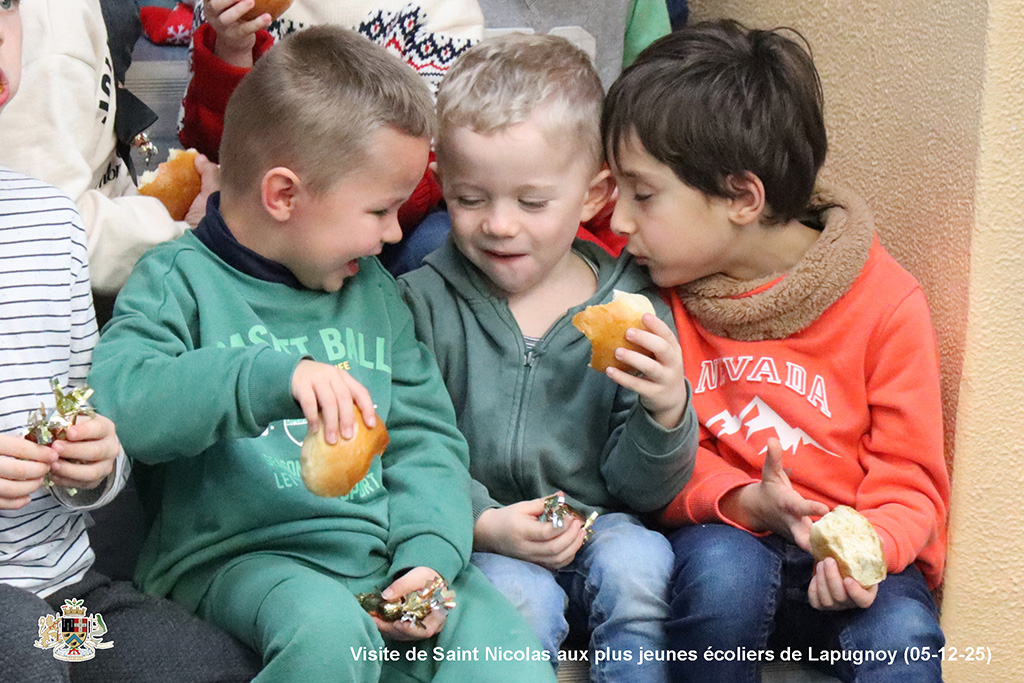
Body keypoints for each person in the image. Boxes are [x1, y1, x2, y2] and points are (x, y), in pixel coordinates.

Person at [88, 26, 556, 682]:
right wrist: (266, 378)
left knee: (504, 650)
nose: (395, 233)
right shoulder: (175, 280)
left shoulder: (375, 293)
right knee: (328, 631)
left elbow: (425, 442)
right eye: (380, 210)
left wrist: (428, 556)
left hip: (380, 554)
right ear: (284, 195)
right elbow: (122, 406)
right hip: (238, 561)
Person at [601, 20, 950, 682]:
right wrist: (743, 501)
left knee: (904, 638)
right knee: (721, 581)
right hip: (731, 539)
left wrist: (865, 551)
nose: (618, 220)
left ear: (742, 196)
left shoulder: (885, 302)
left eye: (642, 194)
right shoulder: (655, 295)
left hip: (856, 564)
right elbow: (660, 460)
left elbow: (911, 478)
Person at [398, 34, 698, 682]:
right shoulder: (422, 303)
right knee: (519, 597)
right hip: (480, 536)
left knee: (641, 563)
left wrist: (665, 412)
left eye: (531, 202)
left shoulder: (630, 307)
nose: (500, 224)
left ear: (594, 195)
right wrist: (482, 522)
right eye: (470, 198)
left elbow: (642, 489)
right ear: (442, 185)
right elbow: (411, 446)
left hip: (598, 522)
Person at [0, 3, 259, 681]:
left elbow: (88, 429)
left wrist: (95, 463)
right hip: (15, 627)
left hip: (65, 598)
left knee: (215, 668)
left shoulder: (51, 220)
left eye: (5, 4)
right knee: (24, 652)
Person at [0, 0, 217, 296]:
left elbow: (97, 151)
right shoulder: (52, 41)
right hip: (71, 291)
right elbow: (49, 231)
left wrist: (151, 209)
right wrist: (189, 237)